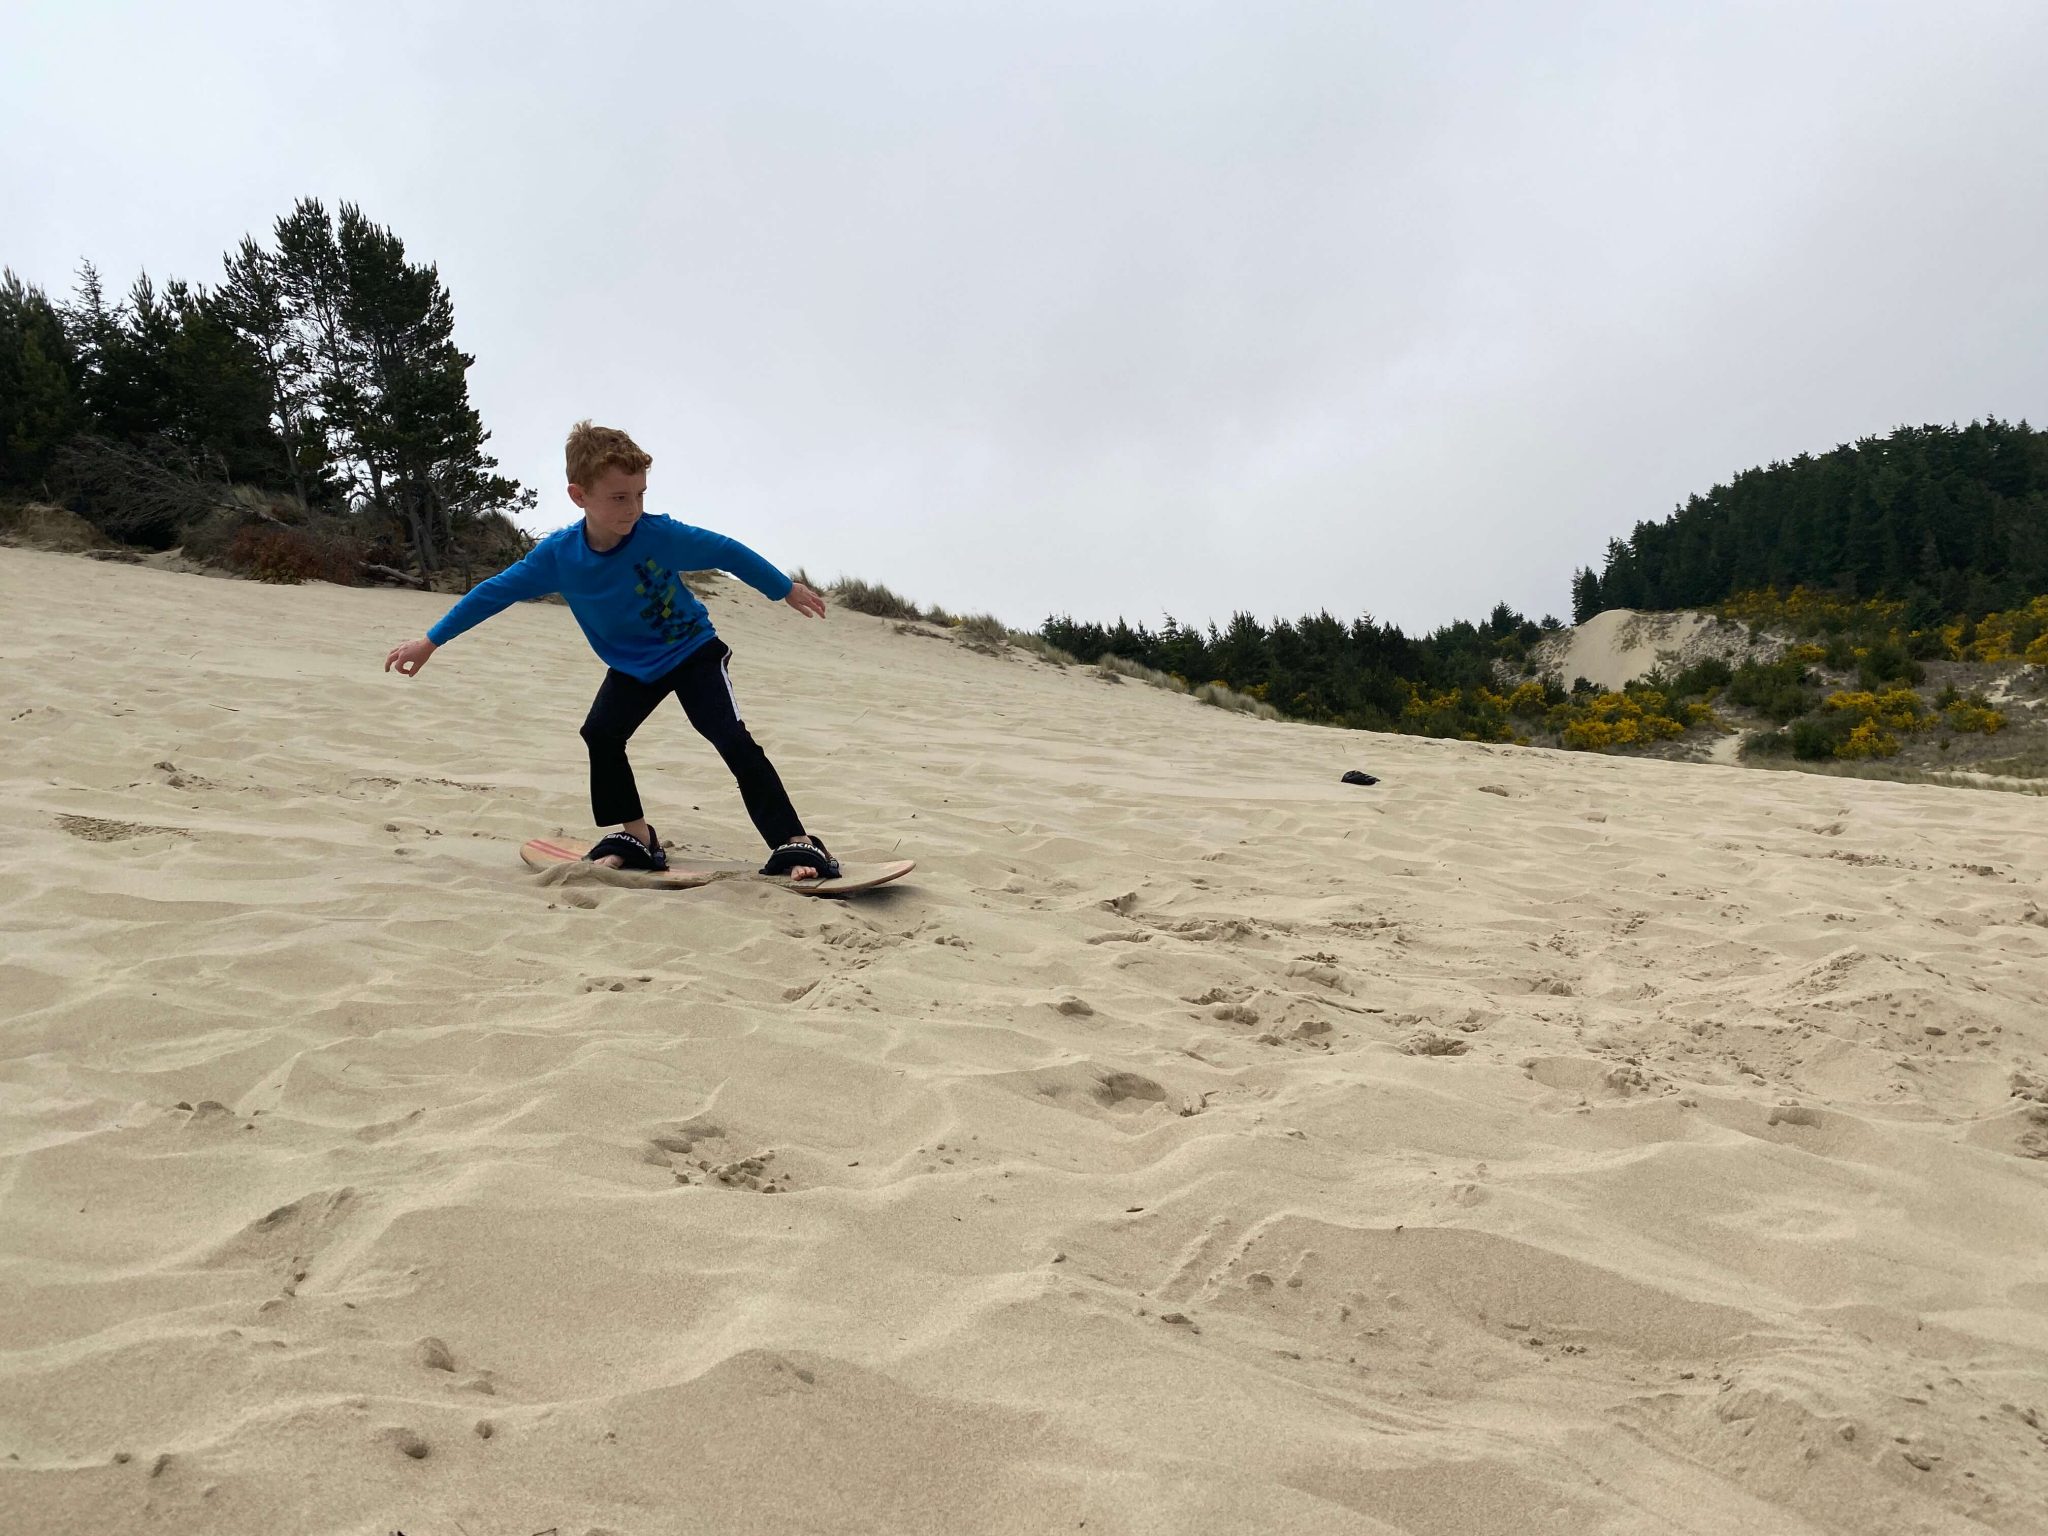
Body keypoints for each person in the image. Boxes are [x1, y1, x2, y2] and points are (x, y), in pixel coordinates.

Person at [383, 420, 837, 881]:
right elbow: (494, 593)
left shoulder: (658, 535)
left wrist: (783, 588)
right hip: (633, 666)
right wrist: (430, 641)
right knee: (601, 734)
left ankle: (793, 841)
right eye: (620, 498)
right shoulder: (559, 557)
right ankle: (639, 838)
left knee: (727, 735)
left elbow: (726, 551)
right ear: (578, 496)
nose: (633, 508)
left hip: (693, 650)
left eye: (640, 494)